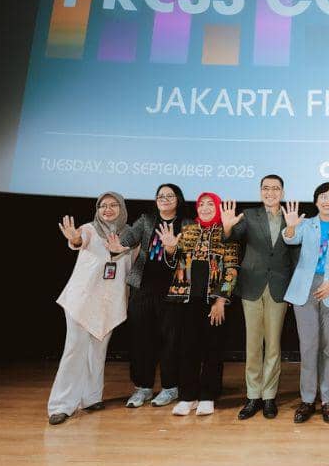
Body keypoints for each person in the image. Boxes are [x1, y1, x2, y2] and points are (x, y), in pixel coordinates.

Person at [48, 192, 133, 425]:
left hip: (110, 303)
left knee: (97, 350)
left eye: (113, 205)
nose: (107, 209)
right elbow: (78, 240)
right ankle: (61, 405)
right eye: (103, 205)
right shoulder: (89, 229)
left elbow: (133, 266)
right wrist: (74, 238)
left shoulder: (129, 235)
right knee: (75, 349)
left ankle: (91, 397)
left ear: (122, 208)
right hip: (82, 301)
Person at [157, 192, 240, 416]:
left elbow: (232, 270)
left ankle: (207, 396)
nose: (204, 207)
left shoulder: (227, 232)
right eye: (201, 204)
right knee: (186, 350)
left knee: (212, 349)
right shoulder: (188, 230)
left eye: (210, 204)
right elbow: (173, 263)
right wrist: (171, 248)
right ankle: (188, 397)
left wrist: (221, 300)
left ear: (218, 207)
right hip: (185, 301)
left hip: (213, 302)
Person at [283, 182, 329, 424]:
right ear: (316, 201)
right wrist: (291, 228)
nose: (328, 201)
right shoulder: (305, 224)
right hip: (305, 290)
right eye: (323, 196)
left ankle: (327, 400)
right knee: (309, 347)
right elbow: (290, 240)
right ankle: (307, 400)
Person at [229, 175, 297, 420]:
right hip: (251, 286)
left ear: (283, 191)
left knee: (274, 346)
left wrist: (294, 290)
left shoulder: (293, 217)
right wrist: (227, 225)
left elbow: (296, 257)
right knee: (252, 345)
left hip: (279, 288)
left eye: (275, 188)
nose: (270, 192)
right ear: (260, 192)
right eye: (266, 188)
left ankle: (269, 396)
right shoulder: (249, 215)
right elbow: (231, 237)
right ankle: (252, 396)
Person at [120, 183, 186, 409]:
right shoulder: (147, 220)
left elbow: (188, 257)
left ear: (178, 199)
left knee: (171, 340)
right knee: (141, 339)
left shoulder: (187, 224)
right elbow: (126, 239)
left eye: (169, 196)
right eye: (160, 196)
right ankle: (143, 388)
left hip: (174, 291)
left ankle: (170, 388)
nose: (164, 199)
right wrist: (118, 244)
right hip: (144, 288)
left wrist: (171, 249)